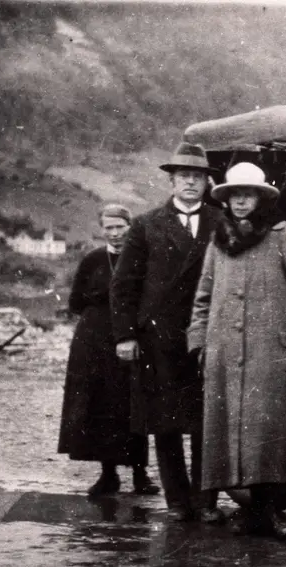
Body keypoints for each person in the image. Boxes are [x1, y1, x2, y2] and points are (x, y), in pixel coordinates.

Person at [187, 163, 286, 538]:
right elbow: (203, 297)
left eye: (248, 194)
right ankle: (249, 511)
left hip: (271, 353)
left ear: (261, 197)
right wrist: (198, 342)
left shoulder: (284, 237)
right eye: (233, 195)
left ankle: (268, 510)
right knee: (233, 433)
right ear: (226, 199)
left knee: (267, 436)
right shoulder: (219, 240)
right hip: (225, 352)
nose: (240, 201)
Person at [111, 141, 226, 523]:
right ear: (172, 182)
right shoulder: (146, 224)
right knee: (166, 423)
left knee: (207, 422)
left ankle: (205, 501)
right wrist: (125, 336)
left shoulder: (221, 222)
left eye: (198, 176)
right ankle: (178, 502)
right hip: (158, 338)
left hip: (207, 334)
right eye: (184, 177)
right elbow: (124, 284)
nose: (191, 183)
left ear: (208, 182)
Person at [58, 204, 160, 497]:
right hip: (94, 342)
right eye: (109, 228)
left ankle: (141, 475)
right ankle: (108, 475)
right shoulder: (93, 260)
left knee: (133, 405)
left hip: (132, 339)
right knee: (101, 405)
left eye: (120, 227)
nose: (115, 234)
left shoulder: (144, 258)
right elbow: (75, 302)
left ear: (130, 227)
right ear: (102, 230)